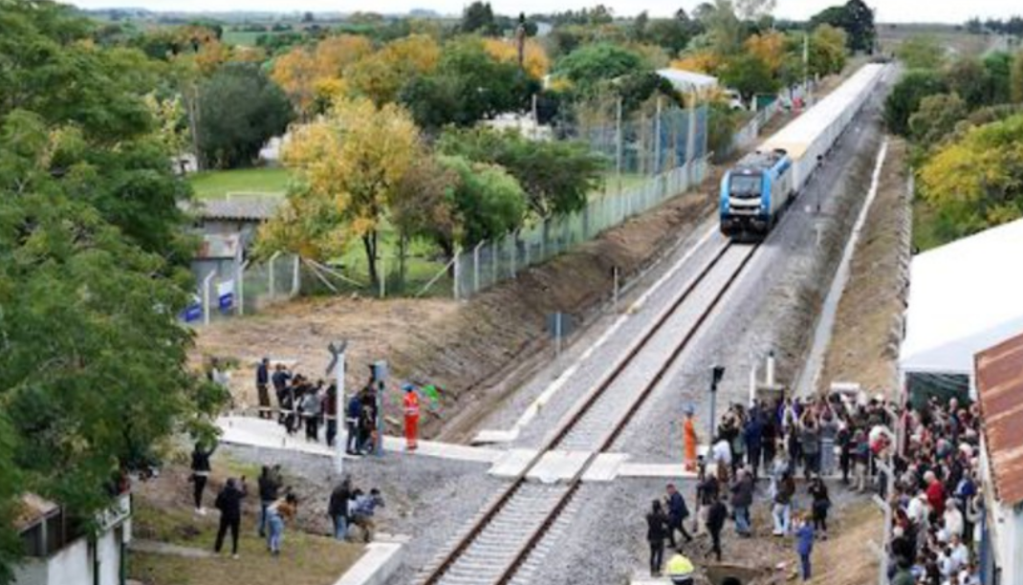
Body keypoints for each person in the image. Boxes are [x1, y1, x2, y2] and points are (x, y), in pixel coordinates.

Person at [213, 477, 247, 559]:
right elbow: (245, 494)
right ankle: (234, 552)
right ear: (234, 485)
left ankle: (217, 551)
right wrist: (244, 485)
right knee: (235, 534)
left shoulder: (222, 492)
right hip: (235, 516)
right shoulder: (237, 492)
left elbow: (216, 504)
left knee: (221, 533)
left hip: (225, 515)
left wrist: (223, 509)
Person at [190, 440, 216, 515]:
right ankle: (197, 508)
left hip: (198, 474)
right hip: (201, 476)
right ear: (199, 448)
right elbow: (209, 453)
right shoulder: (200, 454)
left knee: (198, 491)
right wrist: (214, 446)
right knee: (199, 492)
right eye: (202, 447)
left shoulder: (195, 453)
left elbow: (206, 454)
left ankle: (198, 506)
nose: (203, 449)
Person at [646, 499, 670, 577]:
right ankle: (657, 570)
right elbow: (667, 520)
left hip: (651, 537)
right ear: (659, 508)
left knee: (652, 554)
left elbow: (648, 516)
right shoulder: (660, 516)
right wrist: (662, 511)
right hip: (659, 537)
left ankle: (652, 570)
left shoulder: (649, 516)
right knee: (659, 554)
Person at [665, 484, 692, 548]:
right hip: (679, 514)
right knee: (679, 527)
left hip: (679, 515)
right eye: (668, 491)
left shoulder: (677, 496)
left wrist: (669, 511)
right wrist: (667, 501)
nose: (668, 492)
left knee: (670, 528)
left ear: (673, 489)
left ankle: (673, 544)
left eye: (669, 490)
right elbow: (673, 504)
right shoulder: (674, 495)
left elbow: (676, 507)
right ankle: (688, 537)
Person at [257, 465, 282, 538]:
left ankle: (261, 530)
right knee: (273, 516)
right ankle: (271, 531)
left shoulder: (260, 478)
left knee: (263, 516)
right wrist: (280, 478)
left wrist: (274, 470)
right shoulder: (270, 481)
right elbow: (278, 485)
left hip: (263, 499)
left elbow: (269, 476)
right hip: (271, 500)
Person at [729, 468, 754, 537]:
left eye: (737, 474)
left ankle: (746, 530)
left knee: (739, 516)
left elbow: (732, 488)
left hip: (739, 501)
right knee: (741, 515)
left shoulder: (740, 481)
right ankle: (739, 530)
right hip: (746, 501)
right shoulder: (748, 480)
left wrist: (732, 481)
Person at [772, 470, 795, 536]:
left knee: (775, 514)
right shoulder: (790, 483)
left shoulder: (784, 484)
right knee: (786, 517)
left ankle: (779, 529)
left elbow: (779, 493)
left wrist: (774, 500)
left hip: (780, 502)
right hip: (787, 502)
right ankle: (785, 531)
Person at [706, 494, 728, 562]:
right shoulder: (723, 505)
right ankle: (715, 548)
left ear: (713, 499)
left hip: (713, 526)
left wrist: (707, 524)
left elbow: (710, 518)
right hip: (720, 525)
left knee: (715, 539)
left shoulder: (712, 508)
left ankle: (718, 554)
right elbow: (726, 514)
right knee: (716, 537)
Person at [808, 475, 831, 539]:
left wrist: (811, 487)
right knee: (822, 520)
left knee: (816, 519)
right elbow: (826, 495)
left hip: (816, 504)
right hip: (822, 504)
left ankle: (816, 533)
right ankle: (824, 534)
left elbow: (809, 492)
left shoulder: (813, 487)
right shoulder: (824, 487)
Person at [795, 513, 815, 581]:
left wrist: (797, 525)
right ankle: (808, 574)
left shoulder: (803, 528)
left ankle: (804, 576)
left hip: (802, 547)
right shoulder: (811, 528)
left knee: (803, 561)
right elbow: (812, 537)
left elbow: (796, 534)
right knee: (807, 561)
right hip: (808, 546)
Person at [403, 383, 421, 451]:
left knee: (409, 430)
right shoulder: (415, 396)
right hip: (415, 415)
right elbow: (417, 405)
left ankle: (410, 445)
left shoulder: (407, 397)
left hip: (409, 415)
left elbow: (407, 407)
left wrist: (406, 412)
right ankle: (415, 443)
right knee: (414, 429)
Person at [346, 391, 363, 455]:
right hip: (353, 420)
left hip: (352, 420)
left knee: (353, 435)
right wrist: (361, 412)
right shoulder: (355, 402)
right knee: (354, 435)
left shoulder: (354, 401)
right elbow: (357, 411)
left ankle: (352, 449)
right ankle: (353, 449)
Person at [683, 407, 698, 472]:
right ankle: (692, 468)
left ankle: (687, 466)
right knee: (692, 454)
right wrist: (696, 437)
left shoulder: (686, 421)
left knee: (688, 453)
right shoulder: (689, 422)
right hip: (690, 439)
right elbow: (692, 431)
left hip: (687, 438)